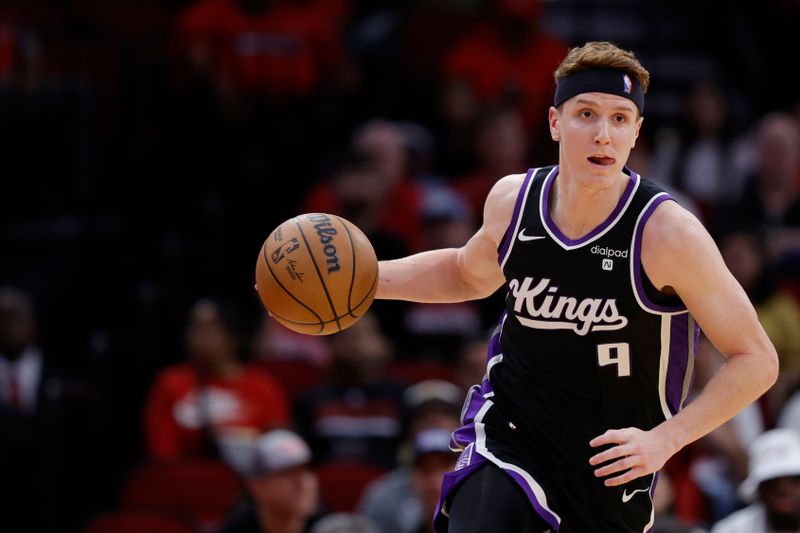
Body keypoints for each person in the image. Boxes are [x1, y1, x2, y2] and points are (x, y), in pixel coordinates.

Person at [375, 41, 778, 532]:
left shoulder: (668, 234)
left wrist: (668, 439)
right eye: (586, 114)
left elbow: (757, 359)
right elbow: (466, 273)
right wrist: (370, 280)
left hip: (608, 463)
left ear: (636, 133)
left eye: (620, 119)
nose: (602, 135)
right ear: (554, 122)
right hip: (511, 432)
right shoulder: (512, 200)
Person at [217, 429, 322, 533]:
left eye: (306, 471)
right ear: (256, 486)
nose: (302, 483)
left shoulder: (331, 527)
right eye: (288, 474)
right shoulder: (235, 528)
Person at [710, 428, 800, 533]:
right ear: (758, 489)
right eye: (772, 481)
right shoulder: (731, 530)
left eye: (795, 480)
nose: (783, 489)